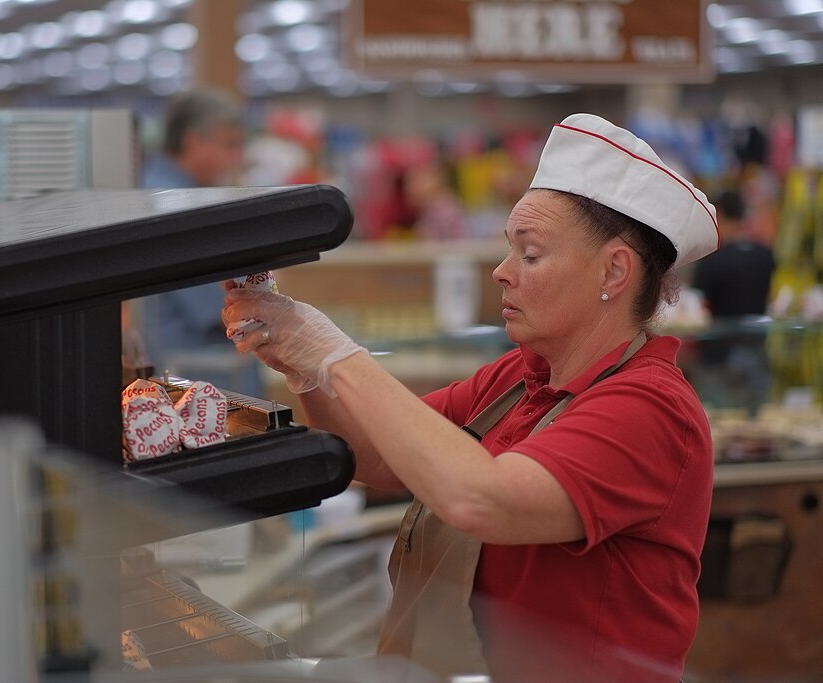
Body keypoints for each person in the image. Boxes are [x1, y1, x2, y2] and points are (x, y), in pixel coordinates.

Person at [222, 113, 720, 682]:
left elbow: (481, 500)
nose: (502, 273)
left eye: (530, 254)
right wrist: (307, 369)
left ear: (613, 271)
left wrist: (336, 354)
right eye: (509, 250)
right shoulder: (518, 379)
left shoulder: (651, 408)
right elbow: (378, 456)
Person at [133, 88, 261, 394]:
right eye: (230, 145)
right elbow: (232, 305)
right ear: (194, 141)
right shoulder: (177, 205)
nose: (237, 157)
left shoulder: (160, 191)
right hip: (198, 384)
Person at [691, 188, 776, 413]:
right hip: (757, 351)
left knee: (722, 420)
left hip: (719, 357)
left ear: (721, 216)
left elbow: (698, 307)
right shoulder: (765, 255)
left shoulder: (712, 260)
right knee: (757, 418)